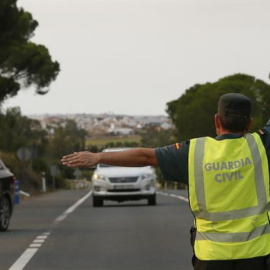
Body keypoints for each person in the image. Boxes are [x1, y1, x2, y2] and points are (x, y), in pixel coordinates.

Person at [61, 93, 270, 270]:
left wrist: (98, 157)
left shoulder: (194, 152)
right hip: (257, 257)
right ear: (249, 123)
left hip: (211, 258)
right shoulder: (262, 146)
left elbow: (145, 157)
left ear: (216, 121)